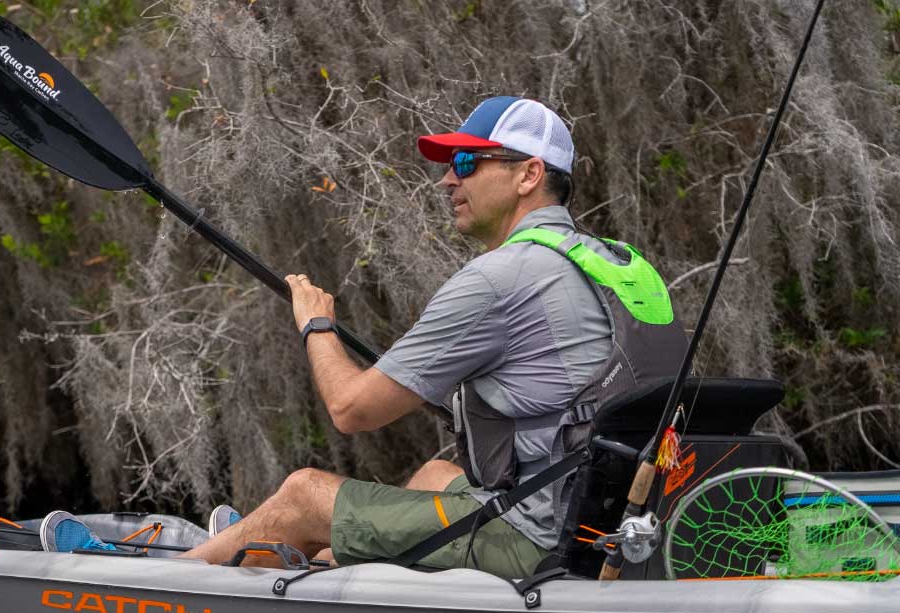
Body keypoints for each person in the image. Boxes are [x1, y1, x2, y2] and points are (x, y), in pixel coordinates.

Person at [42, 96, 684, 579]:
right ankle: (278, 557)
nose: (446, 180)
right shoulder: (619, 263)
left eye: (466, 161)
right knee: (437, 472)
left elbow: (352, 410)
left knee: (302, 493)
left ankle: (159, 584)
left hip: (538, 537)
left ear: (527, 175)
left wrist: (316, 325)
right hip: (612, 518)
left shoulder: (500, 276)